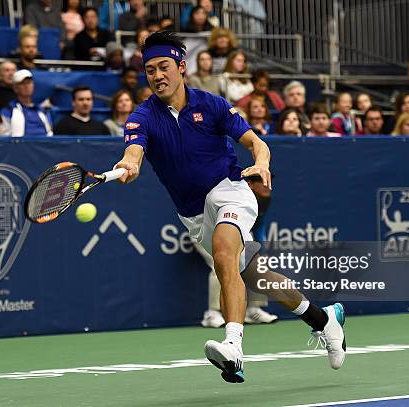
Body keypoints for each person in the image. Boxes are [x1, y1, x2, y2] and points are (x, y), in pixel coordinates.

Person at [113, 31, 346, 383]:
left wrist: (262, 163)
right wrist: (130, 165)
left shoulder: (213, 105)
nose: (157, 75)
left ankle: (233, 347)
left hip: (230, 189)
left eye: (164, 67)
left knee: (224, 254)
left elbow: (256, 143)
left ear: (181, 67)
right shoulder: (142, 116)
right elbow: (134, 152)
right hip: (192, 213)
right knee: (256, 277)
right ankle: (324, 319)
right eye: (149, 70)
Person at [0, 69, 53, 137]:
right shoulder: (8, 110)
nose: (27, 86)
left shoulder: (43, 110)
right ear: (15, 88)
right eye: (22, 83)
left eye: (29, 82)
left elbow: (50, 133)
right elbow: (4, 135)